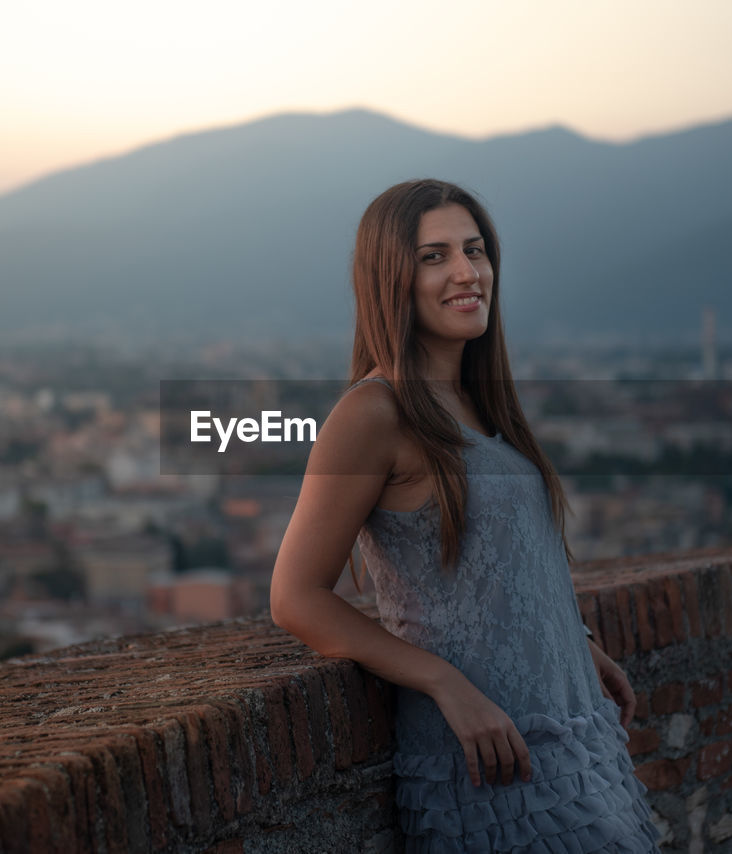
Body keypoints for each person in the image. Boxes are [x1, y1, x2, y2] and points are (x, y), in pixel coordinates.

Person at [270, 179, 661, 852]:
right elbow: (295, 598)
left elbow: (505, 565)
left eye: (475, 250)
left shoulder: (485, 405)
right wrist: (443, 682)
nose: (466, 272)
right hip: (483, 756)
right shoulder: (373, 412)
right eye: (434, 256)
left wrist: (577, 642)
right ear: (390, 277)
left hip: (570, 734)